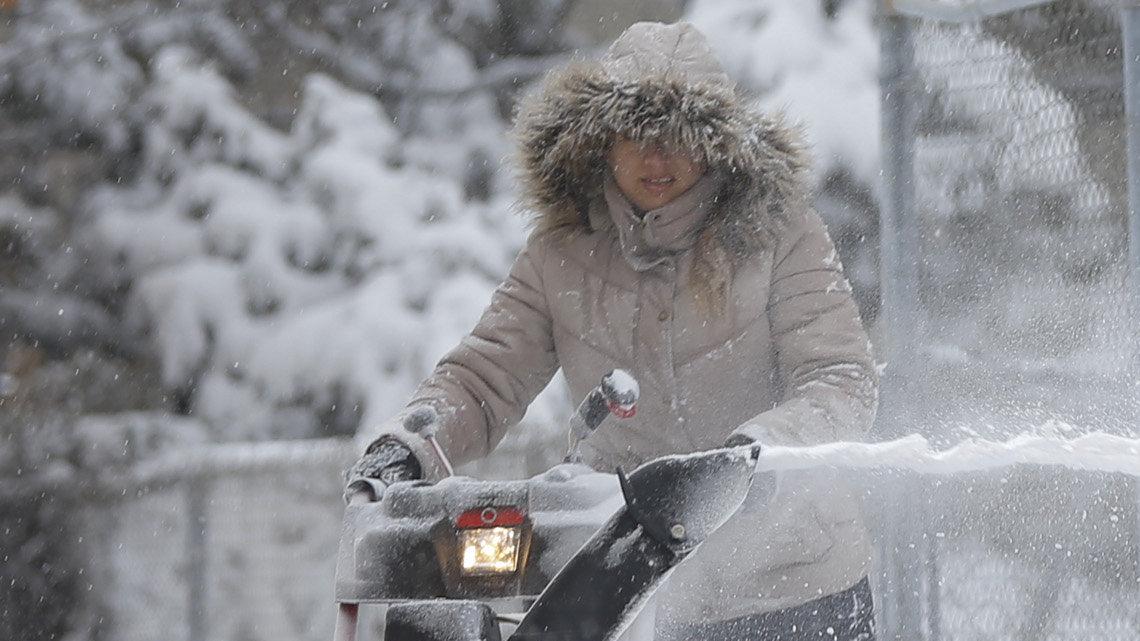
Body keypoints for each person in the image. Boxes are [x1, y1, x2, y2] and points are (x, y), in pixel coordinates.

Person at [346, 20, 879, 641]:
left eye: (677, 136)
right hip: (629, 591)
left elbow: (840, 379)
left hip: (793, 584)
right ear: (600, 142)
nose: (657, 159)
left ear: (713, 144)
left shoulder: (781, 235)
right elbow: (484, 376)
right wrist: (410, 444)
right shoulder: (559, 257)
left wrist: (751, 457)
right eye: (636, 136)